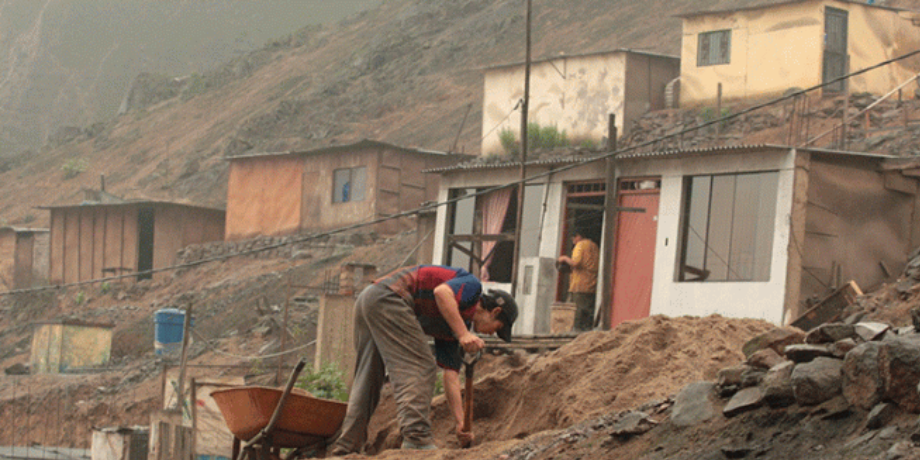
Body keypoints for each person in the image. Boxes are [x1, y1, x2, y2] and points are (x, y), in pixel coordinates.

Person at [329, 265, 518, 454]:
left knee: (369, 377)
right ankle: (416, 437)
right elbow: (442, 292)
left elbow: (451, 376)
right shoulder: (472, 288)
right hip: (388, 297)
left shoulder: (454, 323)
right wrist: (463, 335)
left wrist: (460, 422)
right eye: (498, 328)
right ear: (494, 311)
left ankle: (347, 446)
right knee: (421, 365)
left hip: (370, 299)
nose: (493, 333)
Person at [557, 229, 599, 331]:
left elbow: (575, 263)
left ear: (579, 236)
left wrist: (563, 258)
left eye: (573, 238)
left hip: (579, 285)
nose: (573, 241)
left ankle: (575, 336)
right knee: (588, 314)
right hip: (591, 284)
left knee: (577, 315)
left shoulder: (580, 245)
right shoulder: (594, 246)